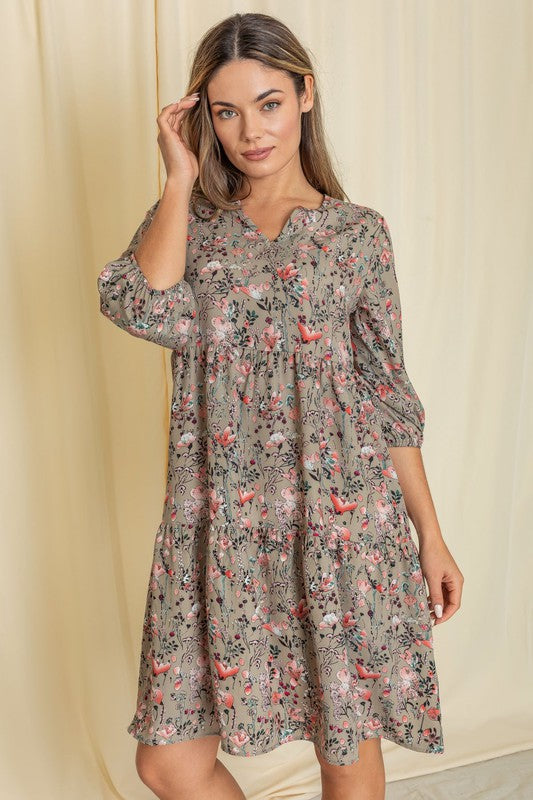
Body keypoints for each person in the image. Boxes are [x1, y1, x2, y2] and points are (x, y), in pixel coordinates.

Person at [97, 11, 463, 800]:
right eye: (224, 112)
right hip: (216, 527)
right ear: (203, 120)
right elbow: (141, 306)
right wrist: (178, 178)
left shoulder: (357, 234)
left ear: (303, 96)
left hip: (337, 523)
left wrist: (428, 535)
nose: (248, 131)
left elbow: (387, 394)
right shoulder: (191, 223)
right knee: (167, 760)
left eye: (267, 103)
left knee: (344, 738)